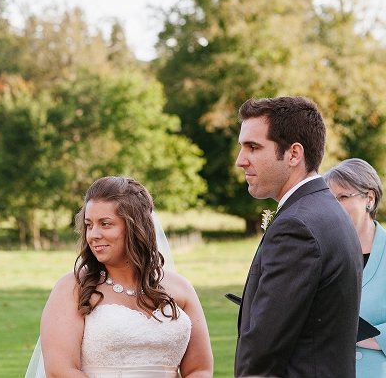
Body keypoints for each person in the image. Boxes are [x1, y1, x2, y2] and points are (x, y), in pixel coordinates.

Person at [234, 96, 362, 378]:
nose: (240, 160)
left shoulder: (297, 226)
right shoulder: (329, 211)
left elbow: (263, 350)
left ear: (294, 154)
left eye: (253, 147)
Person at [36, 176, 213, 378]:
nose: (93, 234)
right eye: (89, 224)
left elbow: (200, 370)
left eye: (105, 224)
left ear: (136, 227)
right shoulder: (73, 288)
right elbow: (60, 371)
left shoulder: (180, 288)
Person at [325, 158, 386, 377]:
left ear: (369, 198)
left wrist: (354, 336)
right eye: (330, 199)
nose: (335, 207)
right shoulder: (321, 252)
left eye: (343, 197)